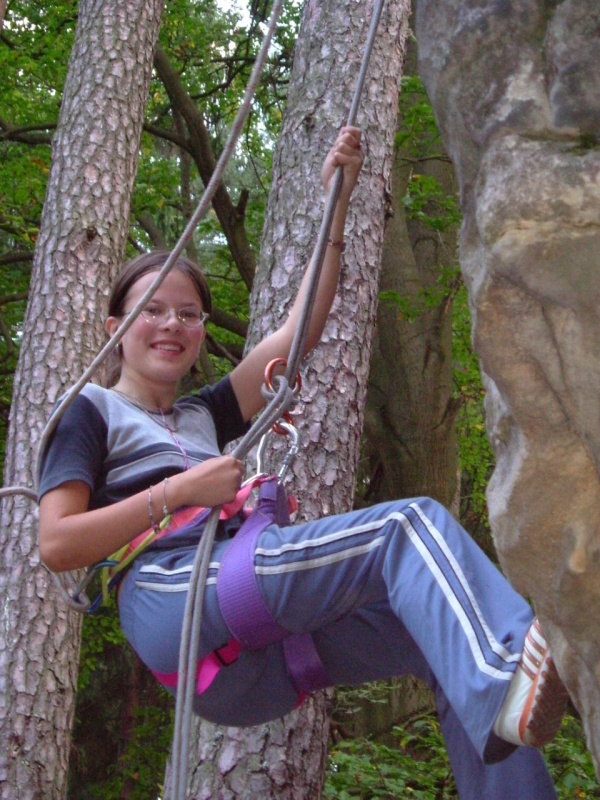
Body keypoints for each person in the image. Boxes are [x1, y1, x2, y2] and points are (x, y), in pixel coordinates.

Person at [38, 127, 568, 800]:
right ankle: (505, 671)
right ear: (115, 328)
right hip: (172, 597)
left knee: (435, 638)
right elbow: (56, 543)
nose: (172, 324)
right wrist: (181, 491)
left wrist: (336, 204)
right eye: (153, 310)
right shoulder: (89, 411)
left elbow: (299, 333)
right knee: (404, 529)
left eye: (189, 314)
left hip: (247, 659)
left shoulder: (205, 413)